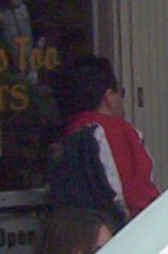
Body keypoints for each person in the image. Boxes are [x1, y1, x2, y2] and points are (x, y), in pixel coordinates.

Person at [49, 55, 158, 226]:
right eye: (120, 92)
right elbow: (137, 196)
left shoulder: (68, 135)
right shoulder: (112, 130)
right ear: (108, 96)